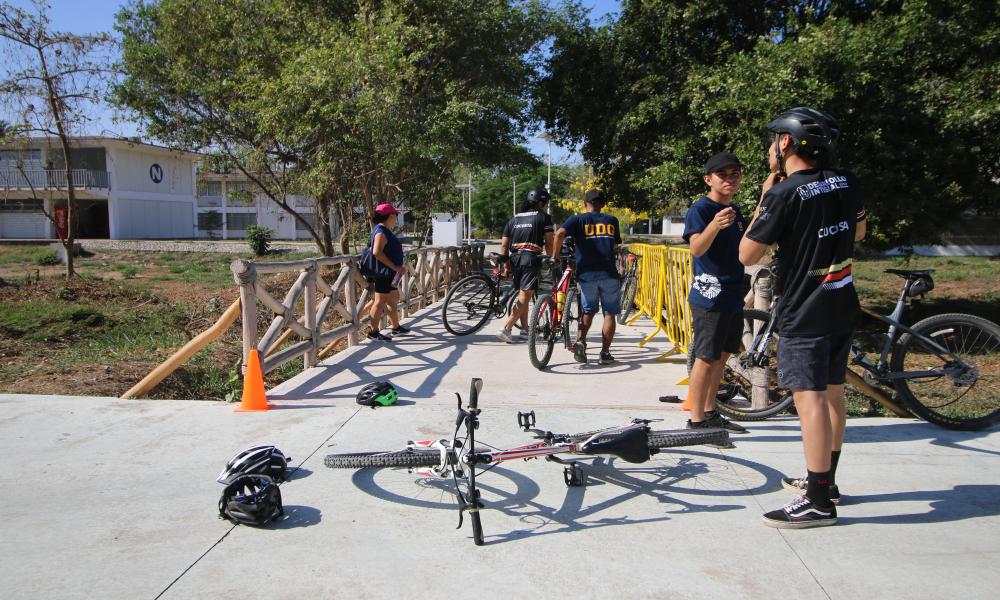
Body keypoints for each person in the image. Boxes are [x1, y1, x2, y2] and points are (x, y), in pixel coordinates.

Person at [739, 107, 867, 529]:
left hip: (803, 310)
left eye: (773, 139)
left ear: (788, 142)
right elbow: (860, 233)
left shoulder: (784, 193)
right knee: (832, 394)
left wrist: (763, 198)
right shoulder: (846, 182)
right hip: (841, 302)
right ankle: (826, 483)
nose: (770, 147)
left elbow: (747, 254)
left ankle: (816, 500)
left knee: (807, 399)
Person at [682, 151, 749, 434]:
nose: (729, 180)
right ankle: (696, 421)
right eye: (723, 175)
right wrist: (714, 225)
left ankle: (710, 412)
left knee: (722, 357)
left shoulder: (738, 212)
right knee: (706, 357)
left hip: (733, 292)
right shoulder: (701, 210)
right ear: (709, 179)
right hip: (710, 296)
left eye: (734, 174)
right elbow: (696, 249)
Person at [552, 189, 621, 364]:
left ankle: (581, 341)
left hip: (587, 273)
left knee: (588, 310)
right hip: (609, 273)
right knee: (609, 314)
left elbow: (559, 233)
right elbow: (616, 246)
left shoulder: (577, 220)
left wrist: (556, 256)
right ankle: (605, 354)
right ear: (603, 205)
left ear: (585, 203)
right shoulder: (612, 221)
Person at [497, 188, 554, 343]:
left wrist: (506, 264)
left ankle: (525, 330)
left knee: (524, 294)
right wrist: (551, 258)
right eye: (546, 204)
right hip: (531, 259)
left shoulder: (514, 219)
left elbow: (504, 245)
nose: (546, 207)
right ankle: (506, 328)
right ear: (541, 202)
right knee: (525, 295)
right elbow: (549, 242)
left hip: (515, 259)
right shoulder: (544, 218)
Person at [367, 203, 409, 342]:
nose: (396, 218)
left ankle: (396, 327)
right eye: (395, 215)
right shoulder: (381, 231)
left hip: (390, 273)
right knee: (380, 301)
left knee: (392, 298)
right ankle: (373, 332)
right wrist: (395, 267)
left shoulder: (383, 229)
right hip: (384, 272)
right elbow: (376, 252)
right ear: (390, 216)